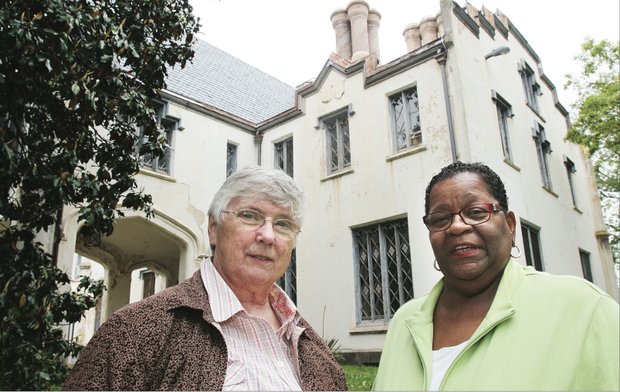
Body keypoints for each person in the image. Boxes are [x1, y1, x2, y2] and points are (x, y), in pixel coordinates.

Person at [63, 166, 347, 391]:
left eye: (283, 224)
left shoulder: (311, 346)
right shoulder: (134, 331)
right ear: (213, 228)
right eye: (250, 216)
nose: (268, 236)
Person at [373, 161, 619, 391]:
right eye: (440, 219)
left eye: (477, 212)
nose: (457, 226)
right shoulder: (404, 322)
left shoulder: (583, 309)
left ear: (510, 225)